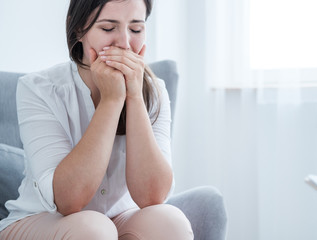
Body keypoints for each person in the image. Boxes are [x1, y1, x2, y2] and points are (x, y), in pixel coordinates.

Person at [0, 0, 194, 239]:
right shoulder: (39, 89)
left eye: (135, 29)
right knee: (93, 230)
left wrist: (133, 96)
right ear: (79, 29)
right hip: (44, 220)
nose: (124, 44)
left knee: (169, 222)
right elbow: (69, 201)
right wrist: (112, 101)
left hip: (118, 219)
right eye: (108, 28)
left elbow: (153, 197)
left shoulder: (155, 91)